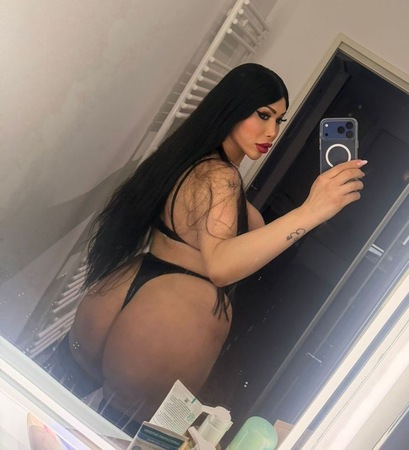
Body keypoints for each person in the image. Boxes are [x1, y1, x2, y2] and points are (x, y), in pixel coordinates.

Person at [43, 63, 366, 435]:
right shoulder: (221, 177)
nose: (272, 131)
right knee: (114, 439)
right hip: (161, 328)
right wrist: (311, 210)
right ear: (232, 108)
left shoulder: (191, 164)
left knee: (43, 414)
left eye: (279, 120)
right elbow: (221, 266)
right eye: (263, 115)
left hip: (115, 297)